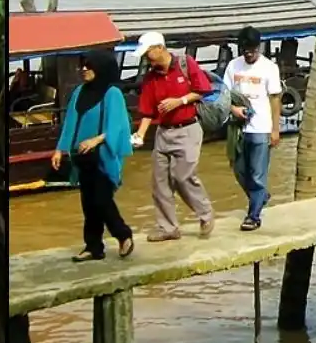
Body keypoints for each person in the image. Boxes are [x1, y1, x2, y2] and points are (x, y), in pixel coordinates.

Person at [129, 31, 215, 241]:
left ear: (160, 48)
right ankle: (168, 227)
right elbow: (148, 110)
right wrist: (139, 134)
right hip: (163, 133)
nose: (146, 58)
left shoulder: (186, 64)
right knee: (160, 182)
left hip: (188, 128)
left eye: (148, 52)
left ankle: (205, 214)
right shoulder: (150, 78)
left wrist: (180, 101)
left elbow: (203, 90)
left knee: (183, 176)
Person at [51, 48, 134, 261]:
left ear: (102, 68)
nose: (84, 69)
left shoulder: (112, 93)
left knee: (102, 200)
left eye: (89, 66)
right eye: (83, 65)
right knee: (88, 203)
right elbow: (70, 122)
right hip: (83, 159)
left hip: (103, 156)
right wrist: (60, 149)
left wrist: (96, 140)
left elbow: (118, 126)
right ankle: (93, 246)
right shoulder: (80, 92)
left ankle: (123, 235)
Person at [223, 26, 282, 231]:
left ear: (259, 48)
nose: (249, 54)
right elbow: (224, 95)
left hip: (261, 128)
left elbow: (275, 99)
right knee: (239, 170)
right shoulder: (233, 66)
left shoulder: (269, 68)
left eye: (252, 50)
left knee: (257, 174)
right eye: (245, 50)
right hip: (238, 128)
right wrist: (233, 109)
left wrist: (275, 129)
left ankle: (253, 216)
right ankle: (261, 196)